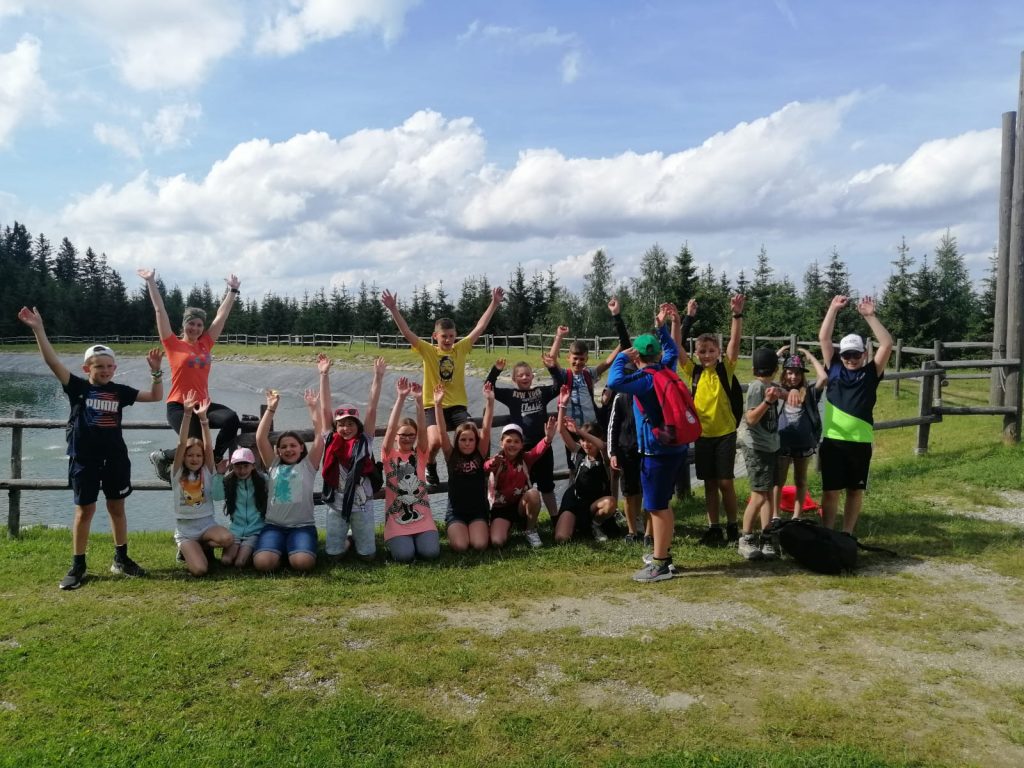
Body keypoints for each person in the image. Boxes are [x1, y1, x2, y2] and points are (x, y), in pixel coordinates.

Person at [17, 307, 163, 590]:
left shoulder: (120, 391)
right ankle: (78, 565)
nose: (105, 371)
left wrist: (156, 372)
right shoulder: (78, 388)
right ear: (87, 369)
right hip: (84, 459)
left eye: (109, 366)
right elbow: (52, 362)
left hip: (115, 459)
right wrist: (38, 330)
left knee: (117, 507)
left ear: (115, 368)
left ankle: (121, 559)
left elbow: (156, 396)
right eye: (99, 367)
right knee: (85, 511)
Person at [381, 286, 504, 487]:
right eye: (444, 336)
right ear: (435, 336)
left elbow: (480, 327)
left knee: (472, 433)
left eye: (451, 336)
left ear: (455, 336)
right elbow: (406, 332)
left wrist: (494, 303)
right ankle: (430, 463)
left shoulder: (461, 349)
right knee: (437, 440)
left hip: (457, 406)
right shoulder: (428, 351)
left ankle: (466, 469)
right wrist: (393, 309)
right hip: (432, 405)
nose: (448, 340)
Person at [606, 304, 688, 582]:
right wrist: (662, 329)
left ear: (638, 356)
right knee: (663, 503)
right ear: (657, 354)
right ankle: (663, 552)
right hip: (675, 446)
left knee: (656, 506)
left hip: (656, 451)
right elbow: (673, 350)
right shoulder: (667, 368)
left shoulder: (645, 380)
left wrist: (621, 357)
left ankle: (660, 564)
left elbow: (614, 381)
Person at [137, 268, 242, 473]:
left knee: (231, 419)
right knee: (195, 447)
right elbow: (160, 310)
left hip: (203, 405)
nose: (195, 328)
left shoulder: (205, 344)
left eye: (199, 325)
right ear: (184, 325)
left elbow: (221, 316)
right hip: (178, 405)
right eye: (191, 324)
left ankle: (216, 457)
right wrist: (151, 281)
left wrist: (232, 291)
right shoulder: (172, 344)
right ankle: (163, 456)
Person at [818, 295, 894, 534]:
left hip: (860, 443)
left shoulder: (872, 372)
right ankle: (828, 533)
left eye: (856, 355)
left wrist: (870, 316)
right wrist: (833, 309)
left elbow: (887, 344)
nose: (851, 359)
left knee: (854, 490)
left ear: (864, 354)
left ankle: (847, 533)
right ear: (840, 355)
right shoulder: (834, 368)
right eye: (847, 355)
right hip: (833, 441)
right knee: (830, 491)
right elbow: (824, 338)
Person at [680, 295, 746, 546]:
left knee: (725, 482)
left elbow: (735, 342)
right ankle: (714, 527)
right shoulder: (693, 372)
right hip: (702, 435)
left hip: (725, 433)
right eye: (702, 351)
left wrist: (736, 315)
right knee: (709, 483)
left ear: (718, 352)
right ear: (696, 353)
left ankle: (733, 526)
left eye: (711, 351)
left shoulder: (724, 369)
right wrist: (687, 317)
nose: (707, 355)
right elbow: (677, 347)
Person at [319, 354, 386, 561]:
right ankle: (347, 540)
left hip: (362, 503)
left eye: (350, 424)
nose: (346, 428)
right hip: (335, 503)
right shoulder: (330, 440)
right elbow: (325, 408)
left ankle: (356, 539)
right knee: (333, 555)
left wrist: (378, 377)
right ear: (335, 426)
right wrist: (323, 375)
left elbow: (372, 408)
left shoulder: (365, 440)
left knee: (368, 556)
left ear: (358, 425)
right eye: (341, 424)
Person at [252, 386, 326, 572]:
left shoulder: (308, 465)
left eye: (293, 445)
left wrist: (313, 408)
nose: (288, 449)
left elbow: (320, 436)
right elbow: (260, 438)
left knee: (303, 564)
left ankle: (291, 554)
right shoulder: (273, 464)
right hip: (274, 527)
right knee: (262, 564)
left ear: (301, 447)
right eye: (283, 447)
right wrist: (271, 408)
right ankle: (280, 554)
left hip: (302, 527)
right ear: (278, 451)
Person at [485, 357, 560, 521]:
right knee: (524, 485)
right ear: (514, 379)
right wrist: (496, 370)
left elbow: (559, 386)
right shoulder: (511, 395)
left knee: (547, 485)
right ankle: (524, 519)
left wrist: (552, 368)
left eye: (527, 374)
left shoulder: (540, 392)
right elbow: (489, 387)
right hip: (522, 449)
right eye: (520, 375)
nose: (525, 377)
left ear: (533, 376)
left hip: (543, 445)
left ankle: (555, 518)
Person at [170, 391, 235, 576]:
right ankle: (186, 549)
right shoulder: (177, 472)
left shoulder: (207, 470)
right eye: (190, 455)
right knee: (200, 570)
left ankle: (203, 545)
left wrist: (204, 419)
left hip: (207, 525)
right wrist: (187, 414)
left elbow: (208, 447)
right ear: (183, 457)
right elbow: (181, 443)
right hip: (186, 530)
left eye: (198, 456)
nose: (195, 459)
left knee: (228, 539)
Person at [381, 378, 440, 563]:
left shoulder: (420, 455)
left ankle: (419, 541)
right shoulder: (388, 455)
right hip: (396, 520)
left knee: (430, 553)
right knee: (404, 556)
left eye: (411, 435)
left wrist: (419, 401)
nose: (407, 438)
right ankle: (398, 543)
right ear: (396, 437)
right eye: (403, 435)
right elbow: (391, 428)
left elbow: (423, 430)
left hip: (423, 519)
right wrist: (400, 398)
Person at [434, 381, 495, 552]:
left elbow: (486, 429)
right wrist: (438, 405)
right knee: (461, 546)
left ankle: (479, 528)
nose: (467, 443)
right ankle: (457, 530)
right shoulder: (451, 455)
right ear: (457, 440)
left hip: (478, 512)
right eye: (463, 440)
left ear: (476, 441)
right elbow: (441, 432)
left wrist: (490, 401)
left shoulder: (480, 453)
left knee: (479, 545)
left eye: (471, 440)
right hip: (456, 512)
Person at [737, 349, 783, 560]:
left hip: (770, 447)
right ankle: (746, 538)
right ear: (776, 369)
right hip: (757, 448)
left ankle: (766, 537)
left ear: (754, 368)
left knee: (767, 494)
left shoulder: (769, 386)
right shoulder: (757, 387)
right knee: (759, 496)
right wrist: (768, 402)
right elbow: (751, 419)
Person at [554, 388, 617, 544]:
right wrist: (562, 405)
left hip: (596, 504)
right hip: (576, 500)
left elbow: (602, 445)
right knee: (561, 538)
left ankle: (596, 524)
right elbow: (561, 430)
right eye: (582, 440)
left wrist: (579, 431)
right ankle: (578, 524)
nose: (586, 444)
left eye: (589, 440)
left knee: (610, 502)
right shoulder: (578, 451)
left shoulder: (605, 456)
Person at [485, 418, 557, 550]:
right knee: (497, 542)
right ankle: (508, 527)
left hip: (520, 505)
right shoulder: (497, 460)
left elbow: (538, 450)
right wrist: (492, 464)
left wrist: (548, 438)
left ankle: (530, 530)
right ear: (501, 443)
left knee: (533, 493)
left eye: (516, 441)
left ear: (522, 445)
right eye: (508, 441)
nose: (512, 445)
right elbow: (486, 466)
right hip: (501, 509)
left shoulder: (526, 458)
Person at [774, 347, 827, 520]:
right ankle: (775, 515)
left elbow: (823, 377)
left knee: (801, 480)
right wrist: (777, 355)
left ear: (802, 375)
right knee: (778, 480)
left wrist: (810, 356)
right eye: (789, 372)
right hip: (782, 442)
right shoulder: (778, 391)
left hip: (803, 443)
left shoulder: (810, 392)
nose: (793, 376)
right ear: (784, 373)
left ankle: (796, 516)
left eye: (797, 373)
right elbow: (764, 375)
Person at [218, 447, 267, 568]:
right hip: (236, 531)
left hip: (255, 531)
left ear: (253, 466)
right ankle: (240, 552)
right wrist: (219, 474)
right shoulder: (228, 481)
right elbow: (216, 495)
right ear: (232, 466)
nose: (242, 470)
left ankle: (250, 553)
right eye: (237, 466)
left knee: (240, 563)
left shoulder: (263, 480)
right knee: (226, 561)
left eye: (246, 466)